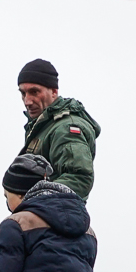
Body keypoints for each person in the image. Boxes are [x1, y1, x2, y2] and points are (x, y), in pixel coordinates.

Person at [15, 59, 99, 197]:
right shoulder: (43, 126)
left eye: (34, 92)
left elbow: (80, 178)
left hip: (58, 215)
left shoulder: (65, 128)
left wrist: (35, 199)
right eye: (23, 93)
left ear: (54, 91)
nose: (27, 101)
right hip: (46, 212)